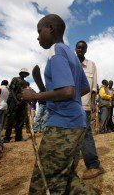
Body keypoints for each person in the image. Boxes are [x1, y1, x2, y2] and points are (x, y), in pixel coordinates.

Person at [22, 14, 96, 194]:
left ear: (51, 29)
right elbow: (83, 89)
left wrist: (35, 96)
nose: (38, 37)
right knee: (64, 177)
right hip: (76, 122)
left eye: (40, 31)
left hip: (63, 124)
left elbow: (68, 91)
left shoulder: (55, 51)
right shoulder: (71, 54)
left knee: (44, 182)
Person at [76, 40, 104, 180]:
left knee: (86, 133)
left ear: (85, 50)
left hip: (85, 105)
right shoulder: (70, 64)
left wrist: (93, 104)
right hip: (70, 104)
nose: (80, 50)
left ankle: (93, 165)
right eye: (78, 47)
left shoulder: (91, 65)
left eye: (82, 48)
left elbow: (93, 87)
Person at [3, 68, 29, 143]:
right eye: (24, 73)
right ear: (20, 73)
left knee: (20, 121)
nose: (25, 75)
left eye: (26, 73)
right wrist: (16, 101)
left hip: (22, 103)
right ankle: (7, 137)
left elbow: (24, 92)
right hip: (14, 102)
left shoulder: (25, 82)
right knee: (11, 120)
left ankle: (18, 137)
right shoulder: (15, 79)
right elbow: (12, 90)